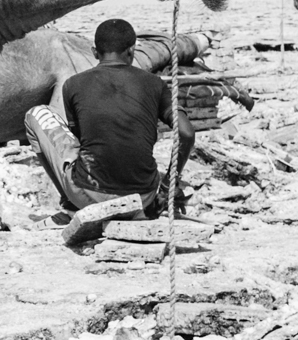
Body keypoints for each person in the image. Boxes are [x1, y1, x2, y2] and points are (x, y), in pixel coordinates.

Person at [25, 18, 192, 216]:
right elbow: (186, 133)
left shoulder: (74, 84)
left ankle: (69, 203)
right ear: (131, 51)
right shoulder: (155, 84)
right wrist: (166, 187)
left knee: (35, 114)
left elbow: (78, 139)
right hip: (143, 196)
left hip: (88, 195)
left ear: (95, 52)